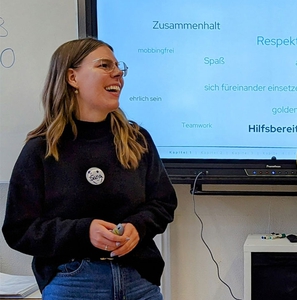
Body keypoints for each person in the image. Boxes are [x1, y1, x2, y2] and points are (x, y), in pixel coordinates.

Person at [2, 37, 177, 300]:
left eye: (118, 67)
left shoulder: (137, 140)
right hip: (73, 283)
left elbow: (163, 204)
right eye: (105, 65)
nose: (117, 73)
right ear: (72, 77)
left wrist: (137, 227)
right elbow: (19, 230)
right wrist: (84, 232)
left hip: (139, 280)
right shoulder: (41, 150)